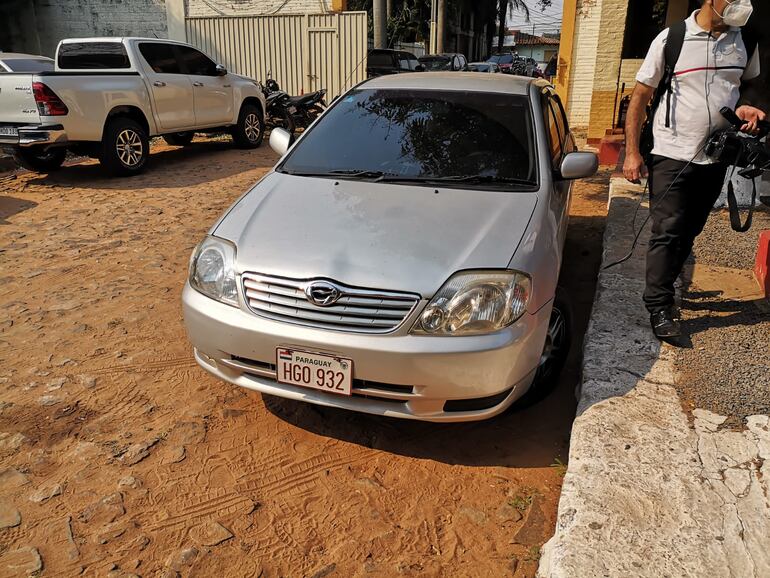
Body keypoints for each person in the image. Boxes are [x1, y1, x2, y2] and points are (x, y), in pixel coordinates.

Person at [623, 0, 765, 342]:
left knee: (691, 229)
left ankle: (666, 285)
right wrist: (631, 154)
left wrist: (748, 105)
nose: (741, 3)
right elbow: (640, 97)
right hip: (672, 153)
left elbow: (750, 84)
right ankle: (658, 305)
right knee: (668, 230)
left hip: (716, 156)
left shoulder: (745, 41)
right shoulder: (671, 39)